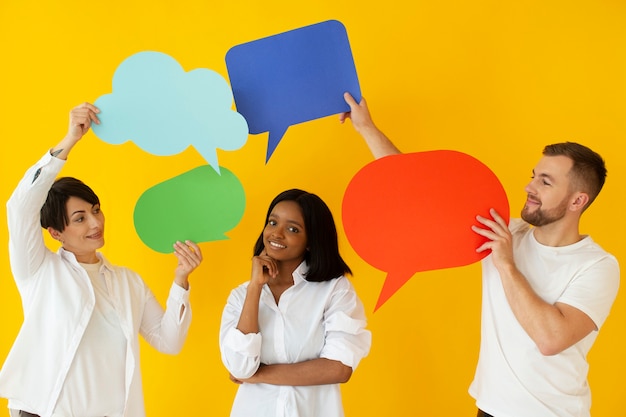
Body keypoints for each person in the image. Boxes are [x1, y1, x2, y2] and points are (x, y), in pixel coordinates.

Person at [341, 92, 620, 417]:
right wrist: (366, 127)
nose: (529, 187)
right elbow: (417, 191)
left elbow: (550, 339)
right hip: (489, 409)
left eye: (545, 182)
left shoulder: (597, 265)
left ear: (577, 201)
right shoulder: (505, 233)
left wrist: (505, 264)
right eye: (533, 176)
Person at [0, 103, 204, 417]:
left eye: (96, 211)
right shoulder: (40, 270)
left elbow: (169, 342)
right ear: (56, 232)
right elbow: (20, 208)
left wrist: (180, 280)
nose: (95, 224)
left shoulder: (127, 281)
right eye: (80, 218)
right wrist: (69, 141)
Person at [219, 189, 371, 417]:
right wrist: (255, 287)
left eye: (293, 229)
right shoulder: (241, 296)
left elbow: (338, 368)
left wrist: (257, 375)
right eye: (272, 222)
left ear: (311, 241)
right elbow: (240, 366)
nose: (276, 234)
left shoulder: (334, 290)